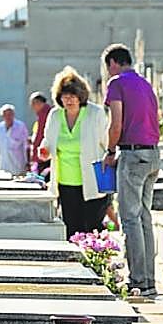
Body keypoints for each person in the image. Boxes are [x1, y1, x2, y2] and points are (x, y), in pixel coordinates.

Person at [103, 44, 161, 297]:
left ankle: (137, 280)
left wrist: (110, 150)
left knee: (129, 218)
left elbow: (116, 123)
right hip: (152, 153)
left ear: (113, 63)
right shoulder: (144, 84)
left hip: (132, 153)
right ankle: (149, 279)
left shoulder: (117, 83)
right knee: (145, 217)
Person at [38, 67, 111, 239]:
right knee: (72, 231)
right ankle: (76, 265)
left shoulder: (95, 114)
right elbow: (48, 141)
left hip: (92, 183)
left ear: (81, 96)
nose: (69, 99)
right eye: (65, 96)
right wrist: (44, 150)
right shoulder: (55, 115)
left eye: (73, 95)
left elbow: (107, 143)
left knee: (92, 229)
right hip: (66, 183)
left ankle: (95, 264)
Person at [0, 104, 29, 175]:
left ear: (13, 115)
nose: (8, 117)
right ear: (2, 116)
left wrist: (28, 163)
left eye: (10, 114)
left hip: (18, 166)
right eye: (6, 115)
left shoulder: (21, 126)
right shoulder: (0, 127)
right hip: (3, 165)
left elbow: (27, 147)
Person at [27, 91, 53, 174]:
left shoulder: (45, 113)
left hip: (45, 154)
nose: (32, 107)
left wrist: (36, 155)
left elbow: (42, 136)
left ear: (39, 103)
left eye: (33, 104)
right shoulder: (43, 114)